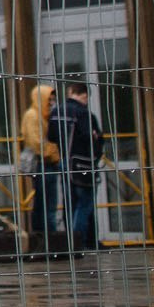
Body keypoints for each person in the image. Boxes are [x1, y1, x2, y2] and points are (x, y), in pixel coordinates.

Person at [46, 81, 104, 256]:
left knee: (70, 203)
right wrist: (95, 139)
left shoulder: (56, 112)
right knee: (85, 203)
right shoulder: (83, 113)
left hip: (65, 161)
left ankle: (74, 241)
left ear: (71, 92)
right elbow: (91, 137)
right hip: (82, 163)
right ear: (84, 95)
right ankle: (77, 243)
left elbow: (51, 137)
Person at [19, 83, 58, 254]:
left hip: (47, 163)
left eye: (52, 99)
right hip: (42, 163)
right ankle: (47, 239)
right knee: (45, 204)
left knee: (46, 203)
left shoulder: (45, 116)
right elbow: (36, 142)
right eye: (48, 98)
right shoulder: (33, 115)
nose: (51, 102)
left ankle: (45, 237)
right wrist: (54, 153)